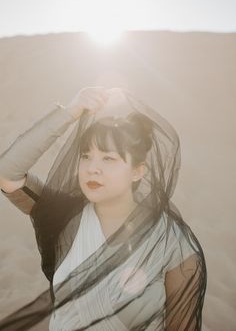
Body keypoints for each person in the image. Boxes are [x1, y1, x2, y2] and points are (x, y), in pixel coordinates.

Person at [0, 87, 207, 330]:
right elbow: (7, 173)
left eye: (108, 158)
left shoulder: (172, 243)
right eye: (86, 156)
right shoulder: (64, 215)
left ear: (138, 171)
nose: (92, 168)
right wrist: (69, 113)